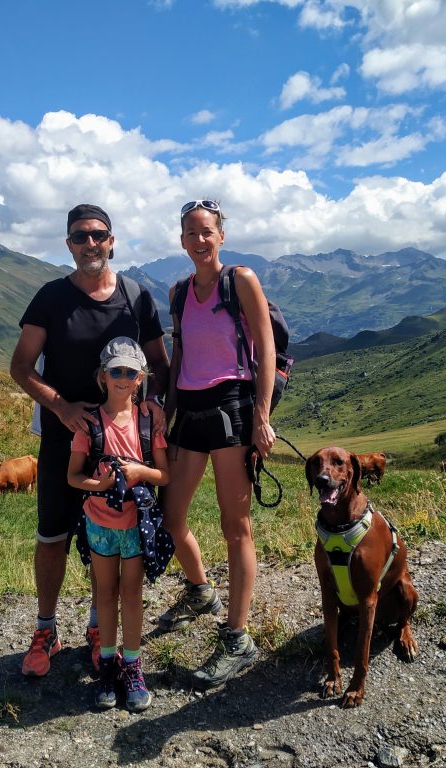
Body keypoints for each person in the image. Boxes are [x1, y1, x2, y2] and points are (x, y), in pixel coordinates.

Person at [10, 203, 168, 678]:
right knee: (53, 536)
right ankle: (46, 630)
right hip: (65, 439)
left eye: (98, 235)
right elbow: (20, 367)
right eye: (80, 237)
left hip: (123, 447)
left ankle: (104, 631)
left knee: (117, 540)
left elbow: (160, 365)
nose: (90, 244)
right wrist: (60, 406)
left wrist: (154, 405)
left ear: (112, 240)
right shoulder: (51, 297)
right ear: (68, 245)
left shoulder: (136, 297)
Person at [159, 198, 276, 689]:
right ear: (182, 241)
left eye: (207, 231)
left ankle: (237, 637)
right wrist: (165, 413)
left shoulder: (241, 280)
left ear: (220, 236)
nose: (199, 240)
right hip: (189, 409)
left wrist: (262, 416)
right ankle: (201, 590)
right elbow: (180, 350)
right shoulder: (178, 292)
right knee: (172, 515)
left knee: (236, 526)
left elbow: (266, 345)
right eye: (191, 233)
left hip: (232, 408)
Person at [67, 336, 170, 711]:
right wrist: (105, 484)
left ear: (141, 378)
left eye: (130, 372)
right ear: (103, 377)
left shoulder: (148, 422)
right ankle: (108, 666)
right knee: (105, 594)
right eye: (116, 372)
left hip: (135, 526)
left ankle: (132, 664)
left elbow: (164, 475)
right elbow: (73, 477)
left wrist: (140, 471)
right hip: (100, 523)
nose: (123, 378)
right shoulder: (89, 424)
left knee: (132, 595)